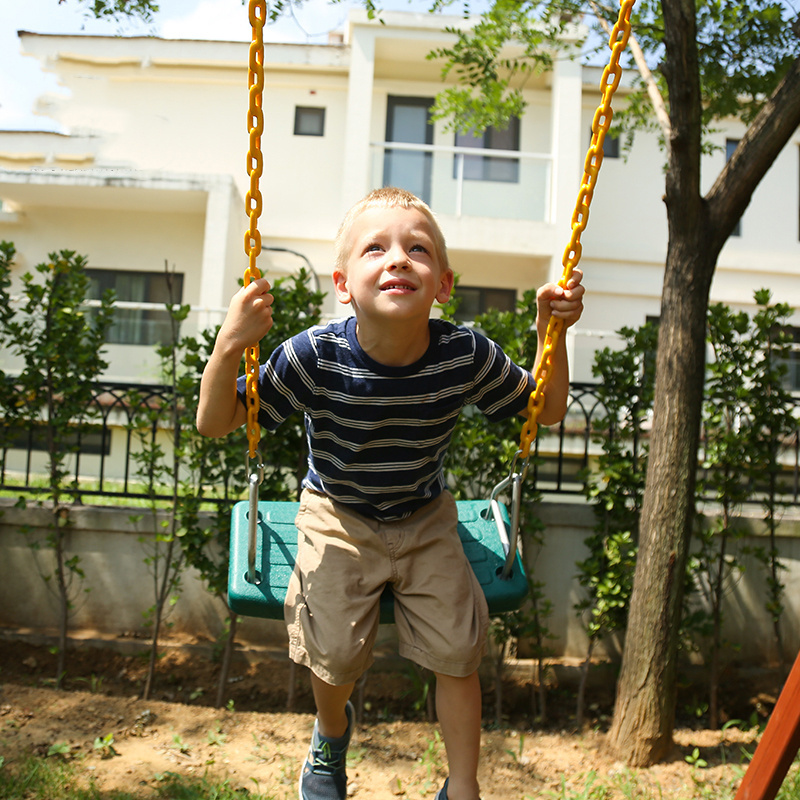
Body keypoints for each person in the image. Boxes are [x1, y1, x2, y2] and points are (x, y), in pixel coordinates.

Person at [197, 187, 585, 800]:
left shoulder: (464, 353)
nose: (398, 258)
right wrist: (228, 344)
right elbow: (216, 423)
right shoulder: (314, 356)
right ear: (343, 284)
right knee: (333, 656)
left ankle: (463, 786)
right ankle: (331, 734)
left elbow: (547, 407)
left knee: (459, 651)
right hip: (336, 514)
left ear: (443, 284)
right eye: (375, 247)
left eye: (417, 249)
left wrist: (550, 335)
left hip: (426, 515)